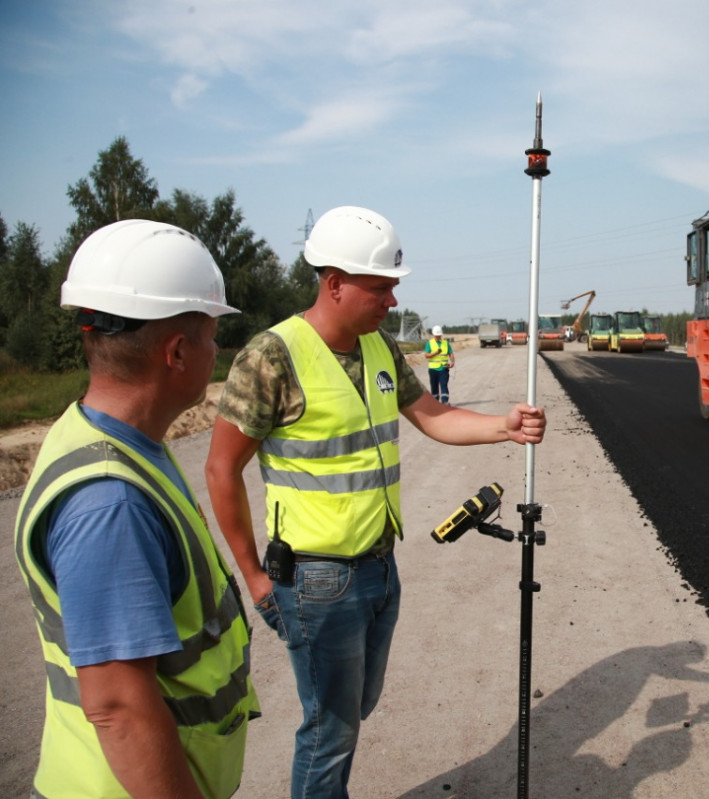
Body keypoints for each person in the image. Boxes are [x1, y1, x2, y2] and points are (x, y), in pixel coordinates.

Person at [204, 205, 546, 799]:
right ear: (334, 284)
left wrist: (503, 426)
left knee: (355, 706)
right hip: (315, 580)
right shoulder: (271, 356)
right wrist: (255, 578)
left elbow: (433, 416)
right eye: (381, 287)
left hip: (379, 569)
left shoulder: (380, 348)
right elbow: (219, 468)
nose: (391, 301)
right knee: (328, 730)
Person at [13, 219, 259, 798]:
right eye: (208, 333)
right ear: (176, 351)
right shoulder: (109, 500)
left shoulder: (114, 439)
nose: (216, 348)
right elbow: (119, 708)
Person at [424, 324, 455, 403]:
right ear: (433, 334)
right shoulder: (429, 343)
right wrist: (435, 353)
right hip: (433, 369)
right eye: (436, 335)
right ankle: (435, 403)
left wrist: (452, 361)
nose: (438, 337)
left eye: (439, 335)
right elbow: (426, 355)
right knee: (434, 387)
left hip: (444, 369)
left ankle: (445, 402)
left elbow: (450, 353)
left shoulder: (445, 343)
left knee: (444, 385)